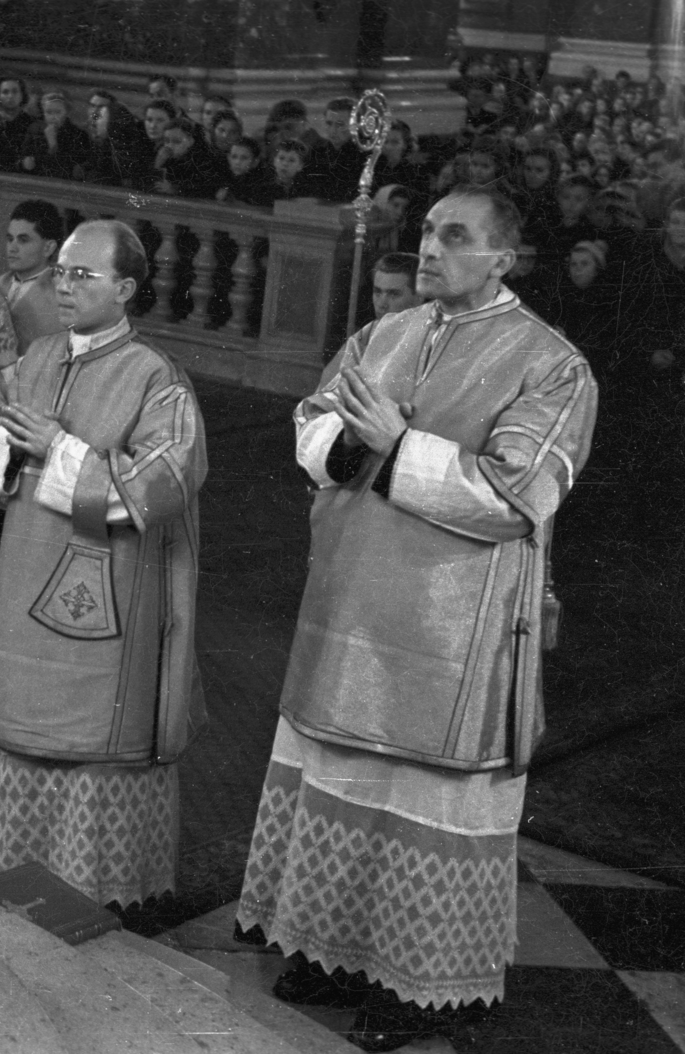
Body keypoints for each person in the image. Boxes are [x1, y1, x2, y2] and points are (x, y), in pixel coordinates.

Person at [235, 186, 596, 1051]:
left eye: (455, 236)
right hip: (349, 600)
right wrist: (353, 442)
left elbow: (520, 495)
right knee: (338, 778)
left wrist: (398, 445)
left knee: (421, 798)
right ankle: (329, 950)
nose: (429, 249)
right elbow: (312, 427)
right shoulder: (384, 333)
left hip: (451, 632)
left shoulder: (552, 364)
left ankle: (423, 982)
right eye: (428, 231)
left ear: (504, 259)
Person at [0, 219, 207, 908]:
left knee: (87, 739)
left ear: (125, 288)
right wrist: (2, 445)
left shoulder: (157, 377)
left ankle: (88, 892)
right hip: (23, 571)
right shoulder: (38, 356)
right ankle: (5, 873)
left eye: (82, 275)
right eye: (61, 272)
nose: (64, 285)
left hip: (105, 589)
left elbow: (168, 481)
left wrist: (61, 450)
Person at [0, 199, 66, 367]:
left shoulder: (61, 300)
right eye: (10, 239)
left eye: (23, 240)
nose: (12, 248)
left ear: (48, 248)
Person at [20, 92, 90, 181]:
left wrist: (53, 146)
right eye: (49, 112)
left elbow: (70, 168)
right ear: (43, 112)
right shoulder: (34, 129)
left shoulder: (78, 134)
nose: (54, 117)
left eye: (58, 112)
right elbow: (22, 156)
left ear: (66, 112)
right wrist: (24, 164)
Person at [370, 251, 424, 318]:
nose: (381, 304)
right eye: (377, 292)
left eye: (394, 294)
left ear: (419, 297)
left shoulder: (433, 328)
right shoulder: (368, 328)